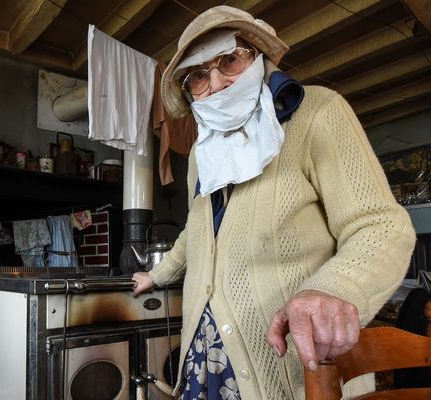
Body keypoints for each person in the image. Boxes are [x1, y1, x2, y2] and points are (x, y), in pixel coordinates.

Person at [132, 5, 416, 400]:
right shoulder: (201, 152)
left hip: (290, 371)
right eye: (198, 76)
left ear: (256, 58)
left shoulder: (317, 112)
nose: (216, 84)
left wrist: (336, 289)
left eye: (228, 61)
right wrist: (157, 275)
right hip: (204, 350)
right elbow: (197, 230)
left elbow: (380, 225)